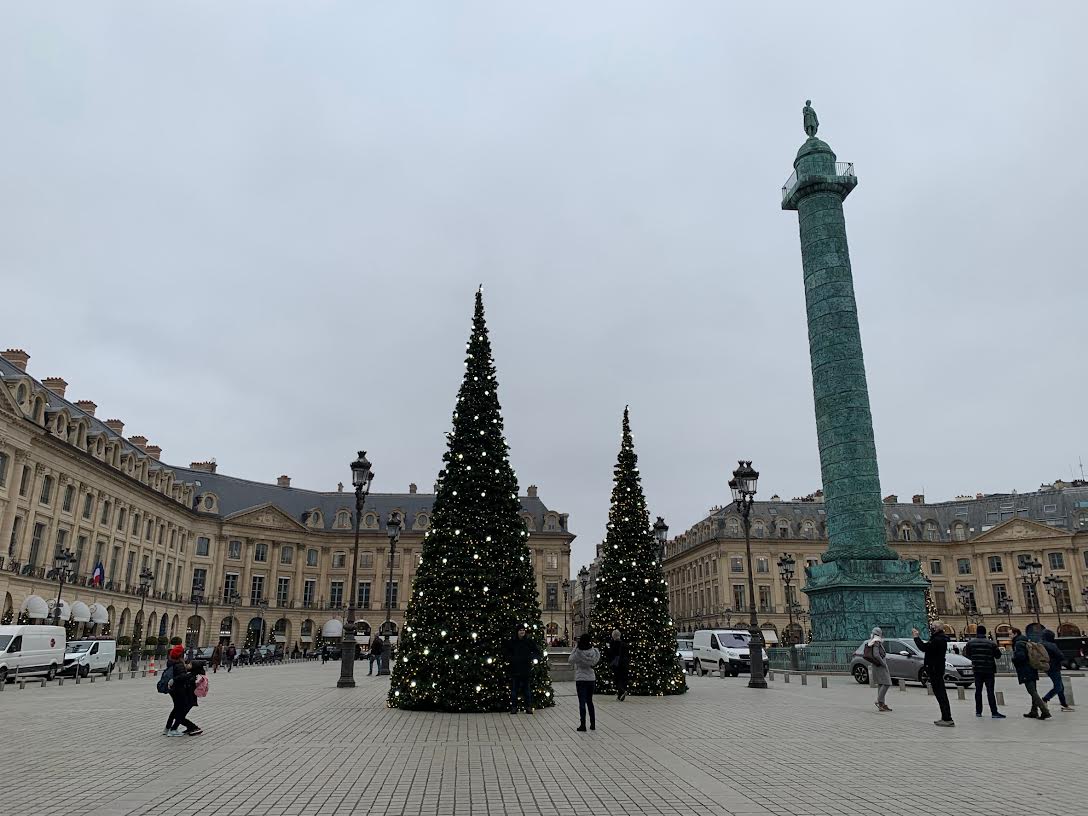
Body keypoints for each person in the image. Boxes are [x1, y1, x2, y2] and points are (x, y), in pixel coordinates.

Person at [912, 622, 954, 727]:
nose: (930, 628)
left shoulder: (937, 640)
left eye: (932, 626)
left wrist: (916, 637)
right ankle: (945, 717)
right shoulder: (938, 638)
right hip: (937, 668)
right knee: (940, 693)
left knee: (940, 694)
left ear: (935, 628)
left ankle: (947, 718)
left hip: (935, 669)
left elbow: (924, 647)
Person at [963, 625, 1005, 719]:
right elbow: (998, 656)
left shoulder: (970, 643)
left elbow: (967, 654)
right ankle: (994, 712)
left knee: (978, 691)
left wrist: (975, 660)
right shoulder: (991, 643)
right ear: (985, 632)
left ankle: (978, 711)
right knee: (990, 691)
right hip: (989, 670)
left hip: (977, 670)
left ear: (976, 632)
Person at [1011, 627, 1051, 720]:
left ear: (1015, 634)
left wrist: (1013, 659)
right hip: (1032, 668)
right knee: (1034, 691)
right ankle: (1034, 711)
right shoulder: (1026, 641)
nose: (1009, 636)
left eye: (1010, 634)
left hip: (1025, 670)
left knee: (1032, 691)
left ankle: (1044, 711)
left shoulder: (1018, 643)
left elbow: (1021, 656)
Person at [568, 634, 600, 732]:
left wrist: (575, 648)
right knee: (590, 701)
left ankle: (583, 724)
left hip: (581, 678)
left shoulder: (578, 652)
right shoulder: (593, 651)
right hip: (591, 678)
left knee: (582, 702)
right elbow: (595, 661)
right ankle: (593, 724)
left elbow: (570, 660)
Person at [506, 624, 541, 714]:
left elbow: (536, 651)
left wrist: (531, 658)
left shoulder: (528, 641)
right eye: (520, 630)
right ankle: (514, 707)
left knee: (526, 689)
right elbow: (507, 652)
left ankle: (528, 707)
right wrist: (512, 659)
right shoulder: (512, 642)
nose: (522, 632)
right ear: (517, 632)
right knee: (514, 689)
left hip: (526, 668)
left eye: (523, 630)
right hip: (515, 668)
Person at [166, 660, 205, 736]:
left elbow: (182, 678)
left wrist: (174, 680)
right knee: (179, 715)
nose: (187, 665)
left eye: (190, 664)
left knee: (179, 716)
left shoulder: (192, 676)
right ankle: (186, 728)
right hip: (189, 700)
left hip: (189, 700)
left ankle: (194, 728)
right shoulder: (193, 675)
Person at [1041, 630, 1074, 712]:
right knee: (1058, 686)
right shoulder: (1051, 645)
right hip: (1054, 667)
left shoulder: (1041, 644)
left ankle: (1064, 704)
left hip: (1047, 667)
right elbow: (1060, 655)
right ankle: (1045, 699)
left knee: (1060, 686)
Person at [862, 627, 892, 712]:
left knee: (881, 683)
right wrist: (883, 663)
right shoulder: (877, 641)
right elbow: (876, 654)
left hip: (876, 665)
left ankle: (882, 704)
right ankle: (879, 701)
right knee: (887, 683)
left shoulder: (871, 641)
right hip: (880, 665)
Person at [160, 644, 185, 735]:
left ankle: (167, 728)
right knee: (180, 710)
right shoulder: (180, 664)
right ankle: (173, 729)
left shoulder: (171, 663)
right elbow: (182, 677)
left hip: (173, 690)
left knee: (176, 709)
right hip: (179, 689)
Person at [604, 630, 630, 701]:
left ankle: (621, 691)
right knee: (622, 679)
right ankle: (620, 695)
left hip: (617, 664)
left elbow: (610, 653)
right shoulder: (624, 644)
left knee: (616, 679)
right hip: (624, 664)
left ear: (613, 636)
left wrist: (608, 648)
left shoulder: (613, 644)